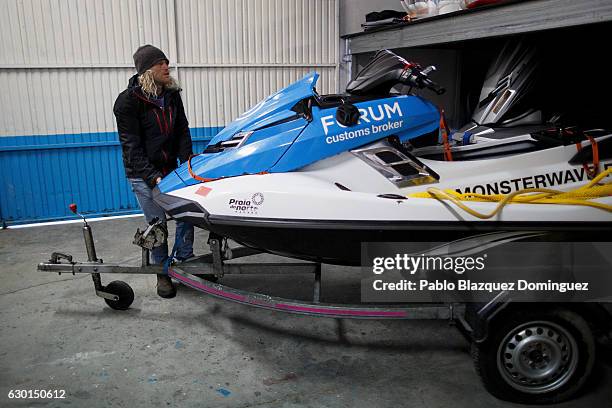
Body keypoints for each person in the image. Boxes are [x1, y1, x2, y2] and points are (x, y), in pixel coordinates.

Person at [113, 45, 194, 298]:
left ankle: (186, 261)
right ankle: (162, 272)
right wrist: (152, 176)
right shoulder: (127, 102)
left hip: (171, 168)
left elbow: (182, 129)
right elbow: (131, 147)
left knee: (188, 214)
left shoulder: (171, 94)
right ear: (147, 70)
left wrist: (188, 162)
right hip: (142, 173)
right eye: (160, 63)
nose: (166, 66)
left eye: (166, 61)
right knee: (157, 224)